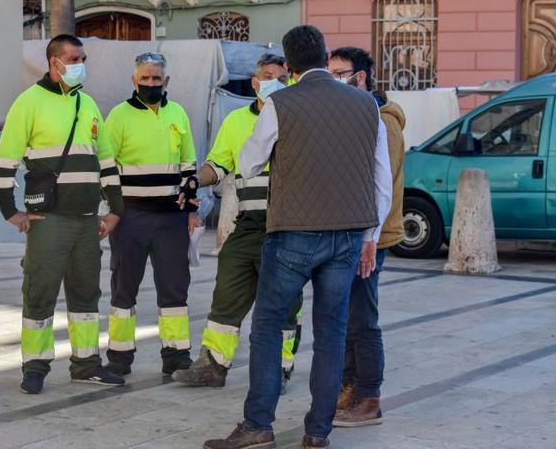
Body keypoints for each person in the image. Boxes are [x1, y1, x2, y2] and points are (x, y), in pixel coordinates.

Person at [203, 25, 392, 449]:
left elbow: (249, 163)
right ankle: (318, 431)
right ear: (325, 57)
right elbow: (382, 179)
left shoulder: (278, 103)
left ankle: (258, 425)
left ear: (288, 67)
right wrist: (371, 236)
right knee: (331, 332)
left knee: (268, 326)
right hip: (347, 236)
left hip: (292, 234)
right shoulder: (367, 106)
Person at [0, 34, 125, 394]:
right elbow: (3, 164)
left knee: (85, 297)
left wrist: (115, 210)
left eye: (84, 58)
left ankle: (86, 365)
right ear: (55, 63)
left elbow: (108, 163)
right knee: (40, 293)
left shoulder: (89, 104)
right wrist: (10, 213)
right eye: (75, 58)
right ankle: (34, 366)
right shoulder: (29, 103)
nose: (82, 64)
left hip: (86, 220)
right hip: (49, 221)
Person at [173, 54, 302, 393]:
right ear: (255, 82)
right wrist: (193, 181)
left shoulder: (297, 117)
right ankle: (212, 366)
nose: (272, 81)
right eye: (265, 76)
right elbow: (217, 164)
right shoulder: (234, 121)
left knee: (285, 301)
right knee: (227, 291)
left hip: (286, 225)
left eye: (280, 76)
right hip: (247, 223)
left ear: (289, 80)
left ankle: (279, 369)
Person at [102, 52, 200, 377]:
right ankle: (119, 358)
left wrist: (191, 212)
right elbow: (105, 166)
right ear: (134, 81)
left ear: (166, 81)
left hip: (171, 218)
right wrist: (113, 211)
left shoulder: (178, 114)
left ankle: (176, 357)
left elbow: (189, 167)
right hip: (131, 216)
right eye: (144, 78)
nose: (150, 83)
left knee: (174, 288)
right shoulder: (117, 116)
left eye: (156, 78)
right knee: (124, 287)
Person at [328, 47, 405, 427]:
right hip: (352, 232)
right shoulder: (355, 116)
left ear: (361, 78)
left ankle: (369, 395)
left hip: (370, 235)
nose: (333, 81)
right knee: (346, 315)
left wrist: (367, 237)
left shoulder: (384, 123)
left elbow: (380, 187)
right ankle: (350, 387)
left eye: (340, 74)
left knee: (362, 317)